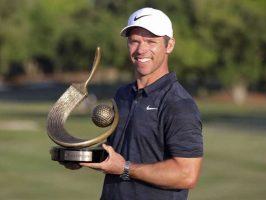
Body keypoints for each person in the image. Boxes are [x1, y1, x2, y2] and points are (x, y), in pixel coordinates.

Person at [80, 7, 204, 200]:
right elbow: (118, 156)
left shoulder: (178, 104)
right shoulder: (123, 95)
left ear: (169, 45)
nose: (141, 49)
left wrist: (125, 168)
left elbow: (187, 174)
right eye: (134, 41)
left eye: (150, 41)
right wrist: (80, 157)